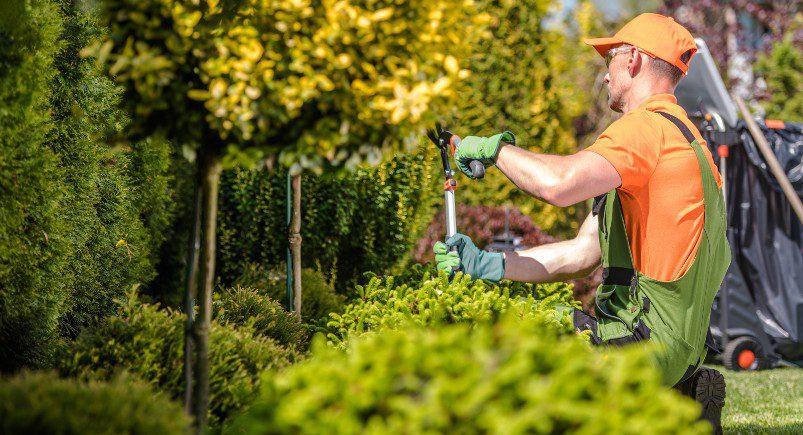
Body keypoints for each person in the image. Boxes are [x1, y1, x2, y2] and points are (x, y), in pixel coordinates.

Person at [433, 13, 730, 433]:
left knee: (515, 340)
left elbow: (558, 184)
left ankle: (659, 403)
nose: (605, 75)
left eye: (608, 58)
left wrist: (493, 149)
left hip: (640, 342)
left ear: (633, 59)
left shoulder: (645, 130)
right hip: (682, 350)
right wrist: (488, 263)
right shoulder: (691, 142)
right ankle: (681, 402)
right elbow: (581, 254)